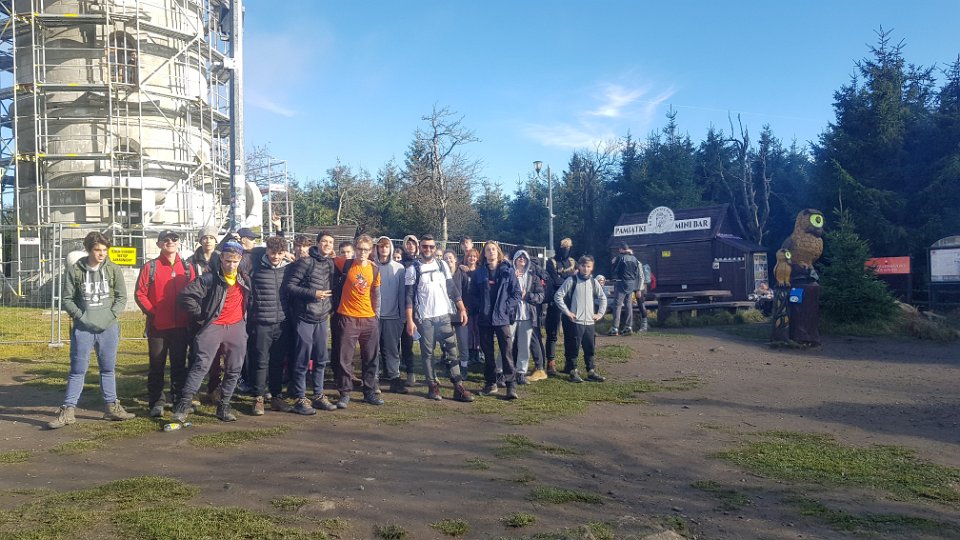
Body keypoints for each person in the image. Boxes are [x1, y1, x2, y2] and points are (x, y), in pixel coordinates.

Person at [48, 232, 135, 429]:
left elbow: (121, 297)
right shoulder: (75, 270)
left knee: (108, 368)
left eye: (104, 250)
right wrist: (82, 317)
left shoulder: (113, 269)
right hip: (83, 329)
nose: (101, 254)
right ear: (89, 250)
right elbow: (67, 299)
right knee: (78, 370)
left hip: (108, 328)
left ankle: (112, 407)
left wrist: (110, 316)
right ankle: (68, 411)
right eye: (97, 250)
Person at [173, 241, 251, 423]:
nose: (231, 265)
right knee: (201, 365)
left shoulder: (244, 277)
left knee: (234, 368)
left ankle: (224, 405)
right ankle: (184, 404)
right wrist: (201, 315)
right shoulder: (209, 278)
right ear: (221, 258)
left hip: (237, 326)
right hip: (213, 326)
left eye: (235, 261)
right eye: (228, 261)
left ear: (240, 260)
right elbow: (185, 296)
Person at [404, 234, 474, 402]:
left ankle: (458, 386)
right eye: (425, 246)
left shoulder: (442, 265)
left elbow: (452, 288)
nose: (428, 249)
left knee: (452, 351)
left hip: (443, 316)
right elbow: (408, 297)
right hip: (425, 318)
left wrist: (462, 308)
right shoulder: (413, 269)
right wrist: (410, 320)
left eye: (431, 246)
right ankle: (432, 386)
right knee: (428, 354)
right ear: (420, 248)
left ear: (435, 248)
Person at [135, 229, 195, 418]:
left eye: (174, 239)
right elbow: (140, 293)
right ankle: (156, 401)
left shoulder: (187, 267)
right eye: (166, 239)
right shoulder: (150, 267)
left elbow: (195, 292)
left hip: (181, 326)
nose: (170, 242)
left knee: (179, 365)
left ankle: (178, 400)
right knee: (157, 365)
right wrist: (154, 312)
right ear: (159, 244)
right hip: (158, 327)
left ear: (179, 243)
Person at [282, 231, 337, 414]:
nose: (327, 245)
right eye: (324, 241)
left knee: (321, 358)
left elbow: (333, 286)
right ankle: (300, 397)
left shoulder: (329, 263)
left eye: (330, 242)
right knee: (302, 359)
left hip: (322, 317)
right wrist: (313, 294)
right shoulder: (305, 262)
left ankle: (319, 395)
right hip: (304, 317)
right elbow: (290, 286)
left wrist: (330, 306)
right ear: (318, 243)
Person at [332, 235, 382, 407]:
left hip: (369, 319)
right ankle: (345, 393)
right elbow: (324, 255)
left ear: (371, 251)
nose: (362, 252)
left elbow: (376, 294)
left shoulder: (375, 269)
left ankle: (369, 391)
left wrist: (375, 315)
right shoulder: (345, 263)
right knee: (345, 357)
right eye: (359, 249)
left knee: (370, 357)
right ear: (355, 249)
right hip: (348, 317)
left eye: (366, 250)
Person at [468, 241, 521, 399]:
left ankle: (511, 386)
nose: (491, 252)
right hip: (484, 318)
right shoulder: (478, 273)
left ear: (498, 252)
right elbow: (472, 295)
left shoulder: (507, 271)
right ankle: (490, 383)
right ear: (484, 254)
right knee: (488, 353)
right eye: (488, 250)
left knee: (506, 352)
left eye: (493, 249)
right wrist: (479, 306)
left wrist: (505, 307)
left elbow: (516, 293)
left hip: (502, 318)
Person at [247, 236, 293, 415]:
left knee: (277, 362)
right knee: (260, 361)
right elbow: (248, 251)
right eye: (273, 252)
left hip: (281, 323)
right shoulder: (255, 266)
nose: (276, 256)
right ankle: (258, 398)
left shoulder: (288, 269)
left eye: (280, 253)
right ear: (266, 251)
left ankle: (276, 397)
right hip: (261, 322)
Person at [554, 256, 607, 384]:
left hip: (589, 322)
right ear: (579, 266)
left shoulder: (594, 282)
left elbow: (603, 298)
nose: (586, 269)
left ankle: (591, 372)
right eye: (583, 266)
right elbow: (558, 296)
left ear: (592, 268)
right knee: (573, 348)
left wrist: (600, 314)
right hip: (576, 322)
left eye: (589, 266)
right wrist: (567, 312)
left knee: (590, 348)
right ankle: (573, 371)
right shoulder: (571, 280)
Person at [374, 236, 407, 394]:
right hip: (374, 317)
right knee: (373, 350)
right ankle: (373, 380)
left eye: (386, 246)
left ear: (391, 248)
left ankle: (394, 378)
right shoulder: (372, 266)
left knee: (392, 349)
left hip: (393, 317)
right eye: (381, 246)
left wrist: (402, 317)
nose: (384, 249)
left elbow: (402, 293)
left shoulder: (399, 268)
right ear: (377, 249)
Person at [511, 249, 545, 384]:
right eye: (519, 257)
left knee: (524, 346)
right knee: (507, 345)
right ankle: (502, 372)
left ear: (527, 261)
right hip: (511, 316)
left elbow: (541, 296)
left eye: (524, 258)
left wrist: (528, 296)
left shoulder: (533, 277)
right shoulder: (509, 274)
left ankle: (521, 373)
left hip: (527, 316)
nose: (521, 259)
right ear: (514, 260)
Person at [544, 238, 577, 376]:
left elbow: (575, 279)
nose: (566, 250)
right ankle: (550, 363)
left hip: (570, 301)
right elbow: (555, 281)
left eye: (568, 247)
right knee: (552, 332)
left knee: (570, 333)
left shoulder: (573, 261)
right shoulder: (551, 262)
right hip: (555, 300)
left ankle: (570, 363)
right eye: (564, 247)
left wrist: (562, 277)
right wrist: (568, 278)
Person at [608, 242, 642, 336]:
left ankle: (615, 328)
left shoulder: (619, 257)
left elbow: (614, 268)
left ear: (620, 249)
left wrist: (613, 264)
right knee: (628, 305)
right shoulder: (634, 258)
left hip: (621, 282)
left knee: (617, 305)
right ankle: (628, 327)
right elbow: (637, 272)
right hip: (631, 283)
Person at [399, 234, 419, 386]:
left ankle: (430, 373)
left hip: (421, 307)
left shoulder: (422, 263)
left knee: (427, 343)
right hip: (404, 307)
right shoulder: (400, 265)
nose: (410, 246)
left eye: (413, 243)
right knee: (407, 341)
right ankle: (410, 372)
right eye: (408, 243)